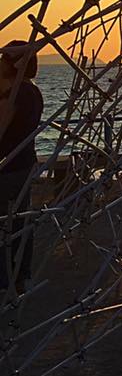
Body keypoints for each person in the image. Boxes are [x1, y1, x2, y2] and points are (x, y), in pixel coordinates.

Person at [0, 41, 43, 292]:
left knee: (7, 222)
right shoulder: (32, 91)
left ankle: (6, 278)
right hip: (24, 163)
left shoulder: (16, 94)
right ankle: (18, 276)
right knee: (19, 220)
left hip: (8, 167)